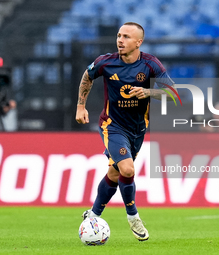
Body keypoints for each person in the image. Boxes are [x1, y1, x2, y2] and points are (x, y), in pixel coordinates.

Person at [75, 22, 175, 241]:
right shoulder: (106, 62)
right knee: (127, 170)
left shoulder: (150, 64)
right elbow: (87, 76)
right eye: (119, 35)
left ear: (139, 42)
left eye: (127, 37)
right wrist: (81, 106)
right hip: (112, 126)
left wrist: (149, 92)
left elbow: (174, 94)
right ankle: (133, 216)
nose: (120, 40)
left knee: (115, 172)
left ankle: (92, 215)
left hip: (138, 129)